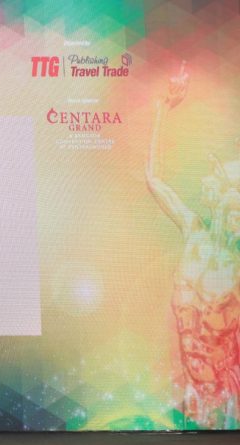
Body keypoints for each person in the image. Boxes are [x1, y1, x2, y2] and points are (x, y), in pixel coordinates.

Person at [146, 63, 240, 428]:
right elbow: (154, 179)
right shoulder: (193, 231)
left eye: (216, 177)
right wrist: (161, 110)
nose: (206, 181)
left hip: (229, 404)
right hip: (191, 399)